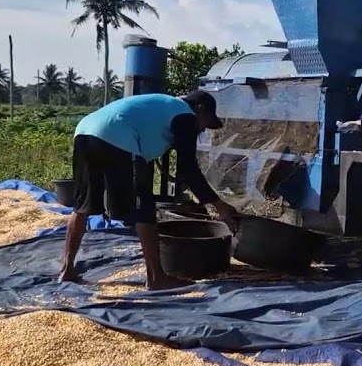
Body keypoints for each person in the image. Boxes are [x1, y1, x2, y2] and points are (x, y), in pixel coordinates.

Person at [59, 90, 239, 290]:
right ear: (200, 108)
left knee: (83, 204)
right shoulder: (185, 115)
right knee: (144, 207)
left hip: (85, 131)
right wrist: (219, 205)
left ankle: (67, 270)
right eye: (206, 122)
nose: (203, 129)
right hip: (118, 135)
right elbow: (187, 169)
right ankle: (156, 278)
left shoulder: (164, 107)